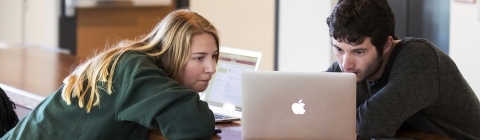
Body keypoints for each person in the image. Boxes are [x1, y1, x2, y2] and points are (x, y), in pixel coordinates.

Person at [1, 9, 218, 140]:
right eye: (199, 58)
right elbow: (193, 124)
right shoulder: (132, 68)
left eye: (214, 56)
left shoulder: (128, 60)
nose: (211, 68)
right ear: (172, 53)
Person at [325, 0, 480, 139]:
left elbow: (371, 124)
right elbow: (313, 103)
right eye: (339, 50)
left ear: (386, 45)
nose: (346, 65)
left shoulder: (420, 58)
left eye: (358, 52)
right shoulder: (351, 68)